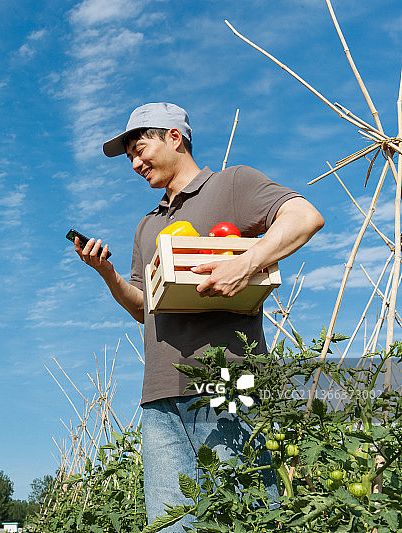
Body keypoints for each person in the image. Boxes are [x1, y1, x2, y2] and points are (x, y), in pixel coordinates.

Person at [73, 103, 323, 530]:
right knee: (170, 525)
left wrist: (247, 262)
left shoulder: (232, 184)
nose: (135, 163)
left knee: (246, 517)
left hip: (227, 383)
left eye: (140, 148)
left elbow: (305, 216)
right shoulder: (146, 226)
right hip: (160, 397)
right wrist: (107, 274)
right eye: (130, 155)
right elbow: (143, 308)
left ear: (175, 137)